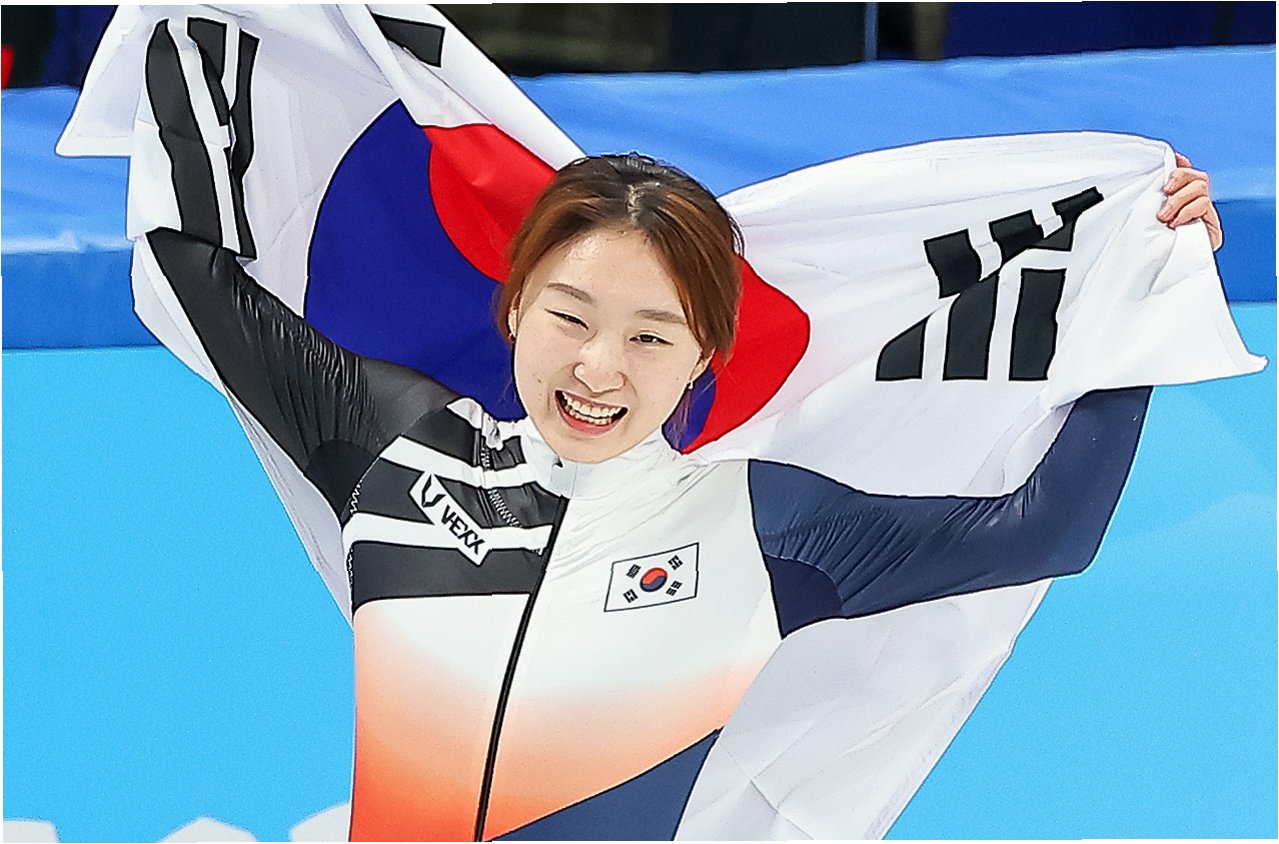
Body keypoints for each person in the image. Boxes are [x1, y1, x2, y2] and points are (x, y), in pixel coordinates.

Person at [143, 96, 1223, 839]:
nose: (597, 367)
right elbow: (188, 267)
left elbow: (1044, 528)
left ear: (704, 355)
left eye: (649, 337)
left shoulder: (760, 523)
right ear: (514, 308)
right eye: (569, 317)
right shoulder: (398, 447)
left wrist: (1145, 292)